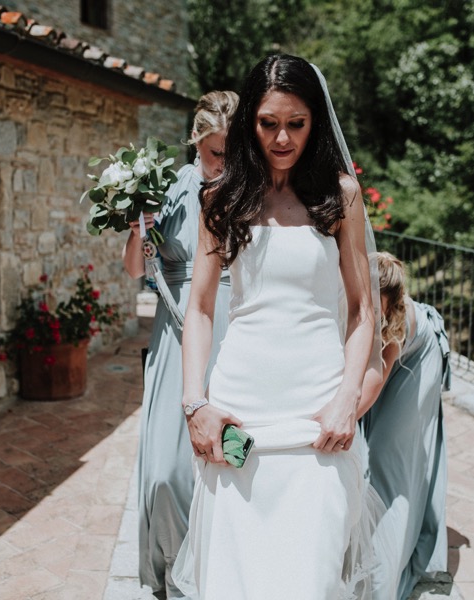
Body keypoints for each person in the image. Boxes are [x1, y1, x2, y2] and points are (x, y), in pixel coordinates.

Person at [174, 54, 382, 599]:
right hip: (241, 415)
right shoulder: (220, 199)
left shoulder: (340, 196)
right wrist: (195, 405)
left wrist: (347, 400)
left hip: (317, 416)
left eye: (296, 123)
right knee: (236, 580)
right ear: (250, 122)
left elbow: (363, 310)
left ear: (316, 122)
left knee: (310, 579)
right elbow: (200, 309)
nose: (283, 138)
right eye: (269, 123)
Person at [123, 90, 239, 599]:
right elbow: (135, 268)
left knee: (231, 460)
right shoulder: (168, 191)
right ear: (195, 140)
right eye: (215, 153)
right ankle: (177, 575)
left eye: (232, 153)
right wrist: (138, 229)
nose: (223, 164)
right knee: (167, 475)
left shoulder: (251, 192)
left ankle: (224, 572)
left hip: (236, 331)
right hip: (176, 334)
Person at [359, 251, 450, 600]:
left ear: (391, 304)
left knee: (389, 460)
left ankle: (381, 582)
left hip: (418, 360)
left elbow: (368, 393)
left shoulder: (395, 322)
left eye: (377, 308)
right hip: (386, 354)